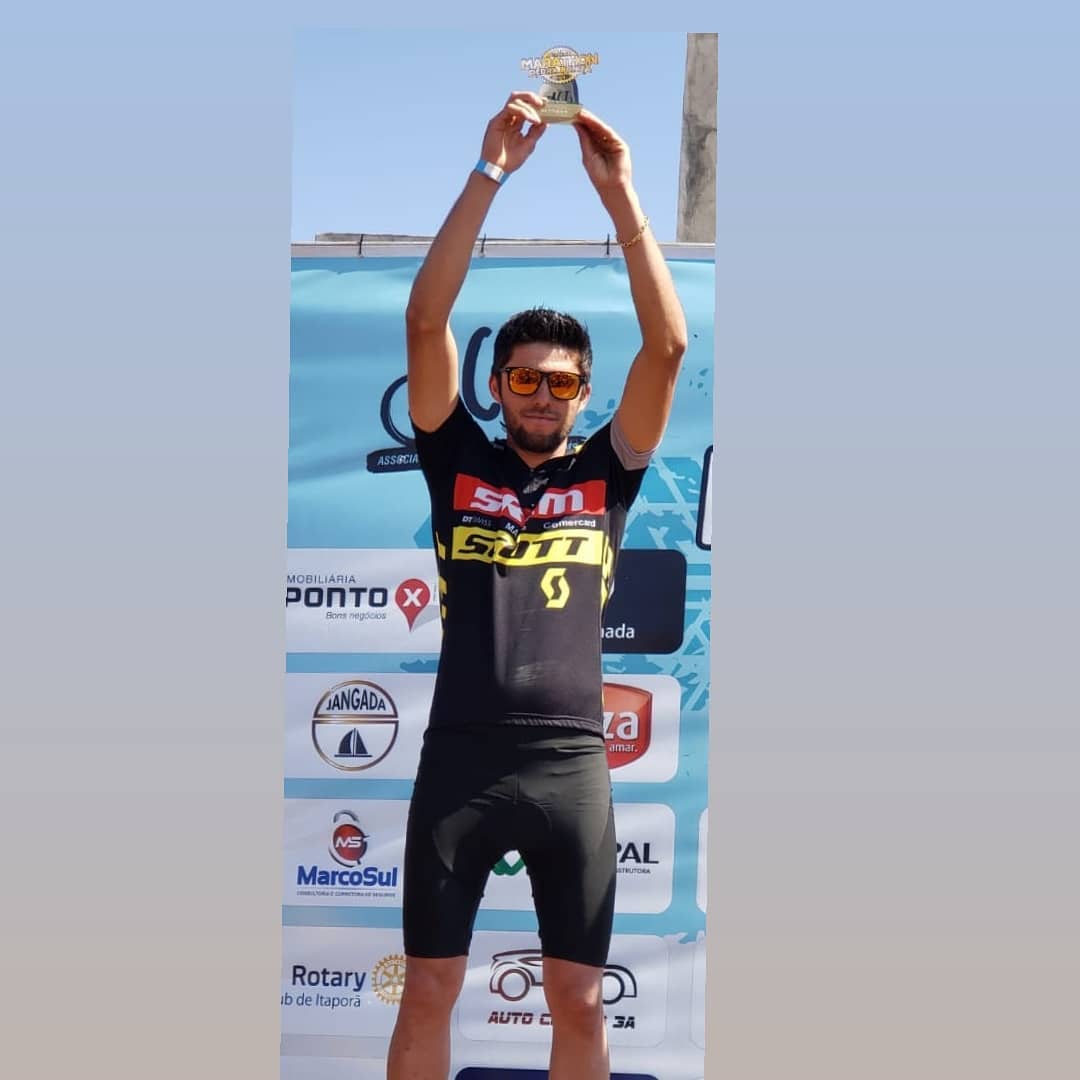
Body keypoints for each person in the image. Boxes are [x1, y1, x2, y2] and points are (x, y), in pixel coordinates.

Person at [387, 91, 688, 1080]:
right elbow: (426, 318)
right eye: (524, 378)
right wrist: (490, 172)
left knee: (581, 1002)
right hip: (460, 761)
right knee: (426, 991)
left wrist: (622, 197)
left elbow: (668, 348)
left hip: (570, 766)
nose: (542, 395)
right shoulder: (456, 460)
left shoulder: (608, 472)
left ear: (583, 394)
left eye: (561, 383)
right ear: (498, 386)